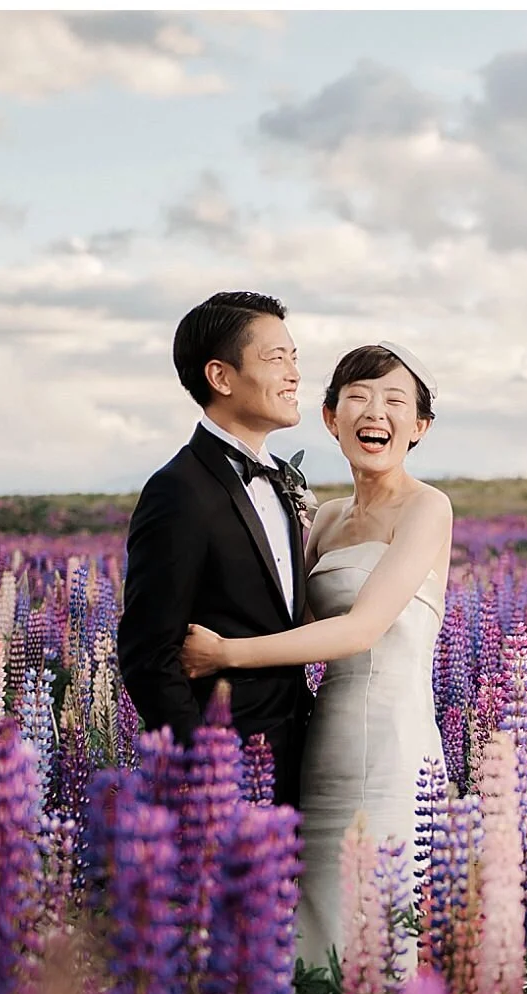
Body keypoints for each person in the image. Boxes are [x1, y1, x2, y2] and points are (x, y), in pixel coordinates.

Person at [181, 342, 452, 969]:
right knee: (314, 925)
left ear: (420, 427)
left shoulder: (428, 507)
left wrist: (227, 654)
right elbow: (286, 617)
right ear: (330, 418)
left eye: (393, 401)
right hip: (320, 734)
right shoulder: (325, 519)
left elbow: (359, 631)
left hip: (392, 742)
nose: (373, 412)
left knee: (379, 924)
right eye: (357, 396)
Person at [118, 291, 316, 807]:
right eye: (276, 359)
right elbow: (148, 654)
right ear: (221, 377)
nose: (294, 373)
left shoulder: (279, 480)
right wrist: (201, 768)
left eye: (295, 358)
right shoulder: (179, 489)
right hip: (224, 769)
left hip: (300, 756)